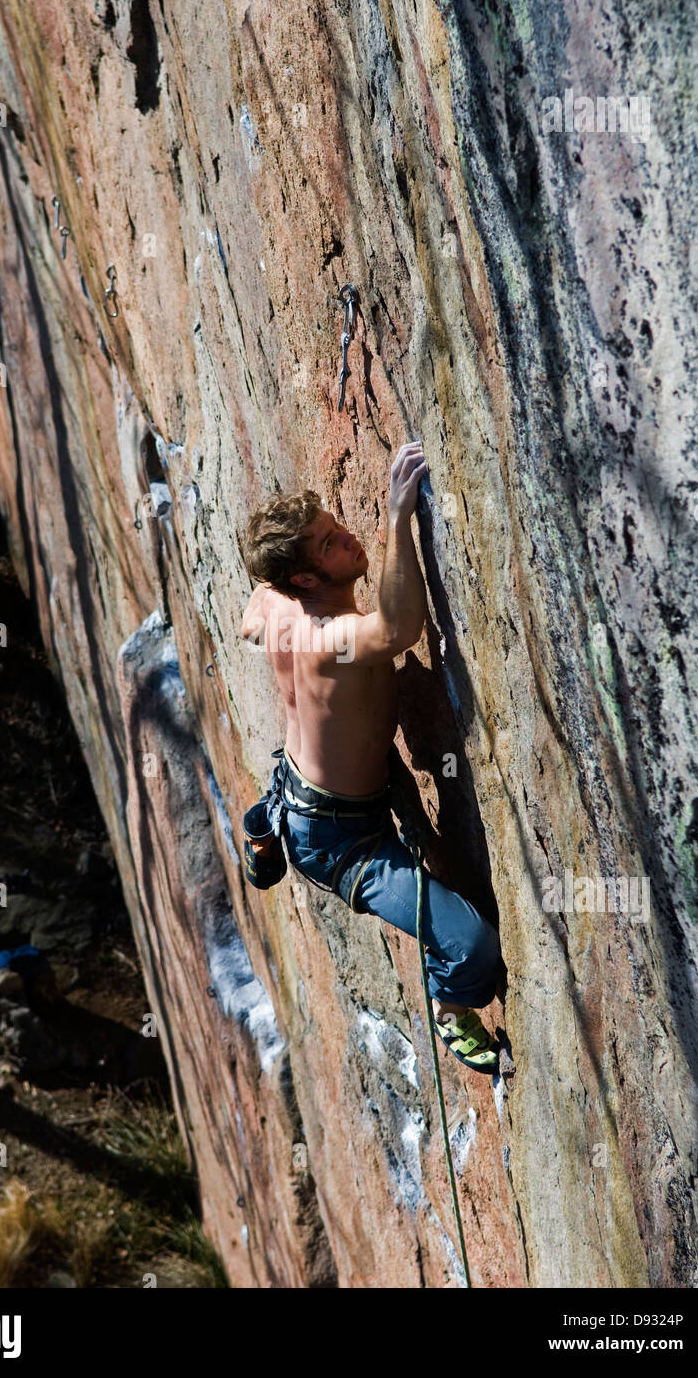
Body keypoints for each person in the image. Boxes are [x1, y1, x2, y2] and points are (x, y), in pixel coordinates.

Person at [240, 442, 502, 1073]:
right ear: (305, 578)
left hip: (305, 786)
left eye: (335, 527)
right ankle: (451, 1009)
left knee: (296, 799)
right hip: (343, 844)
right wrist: (396, 519)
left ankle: (265, 833)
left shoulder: (278, 605)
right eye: (330, 543)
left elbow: (253, 613)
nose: (349, 538)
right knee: (471, 949)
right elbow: (395, 629)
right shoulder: (331, 641)